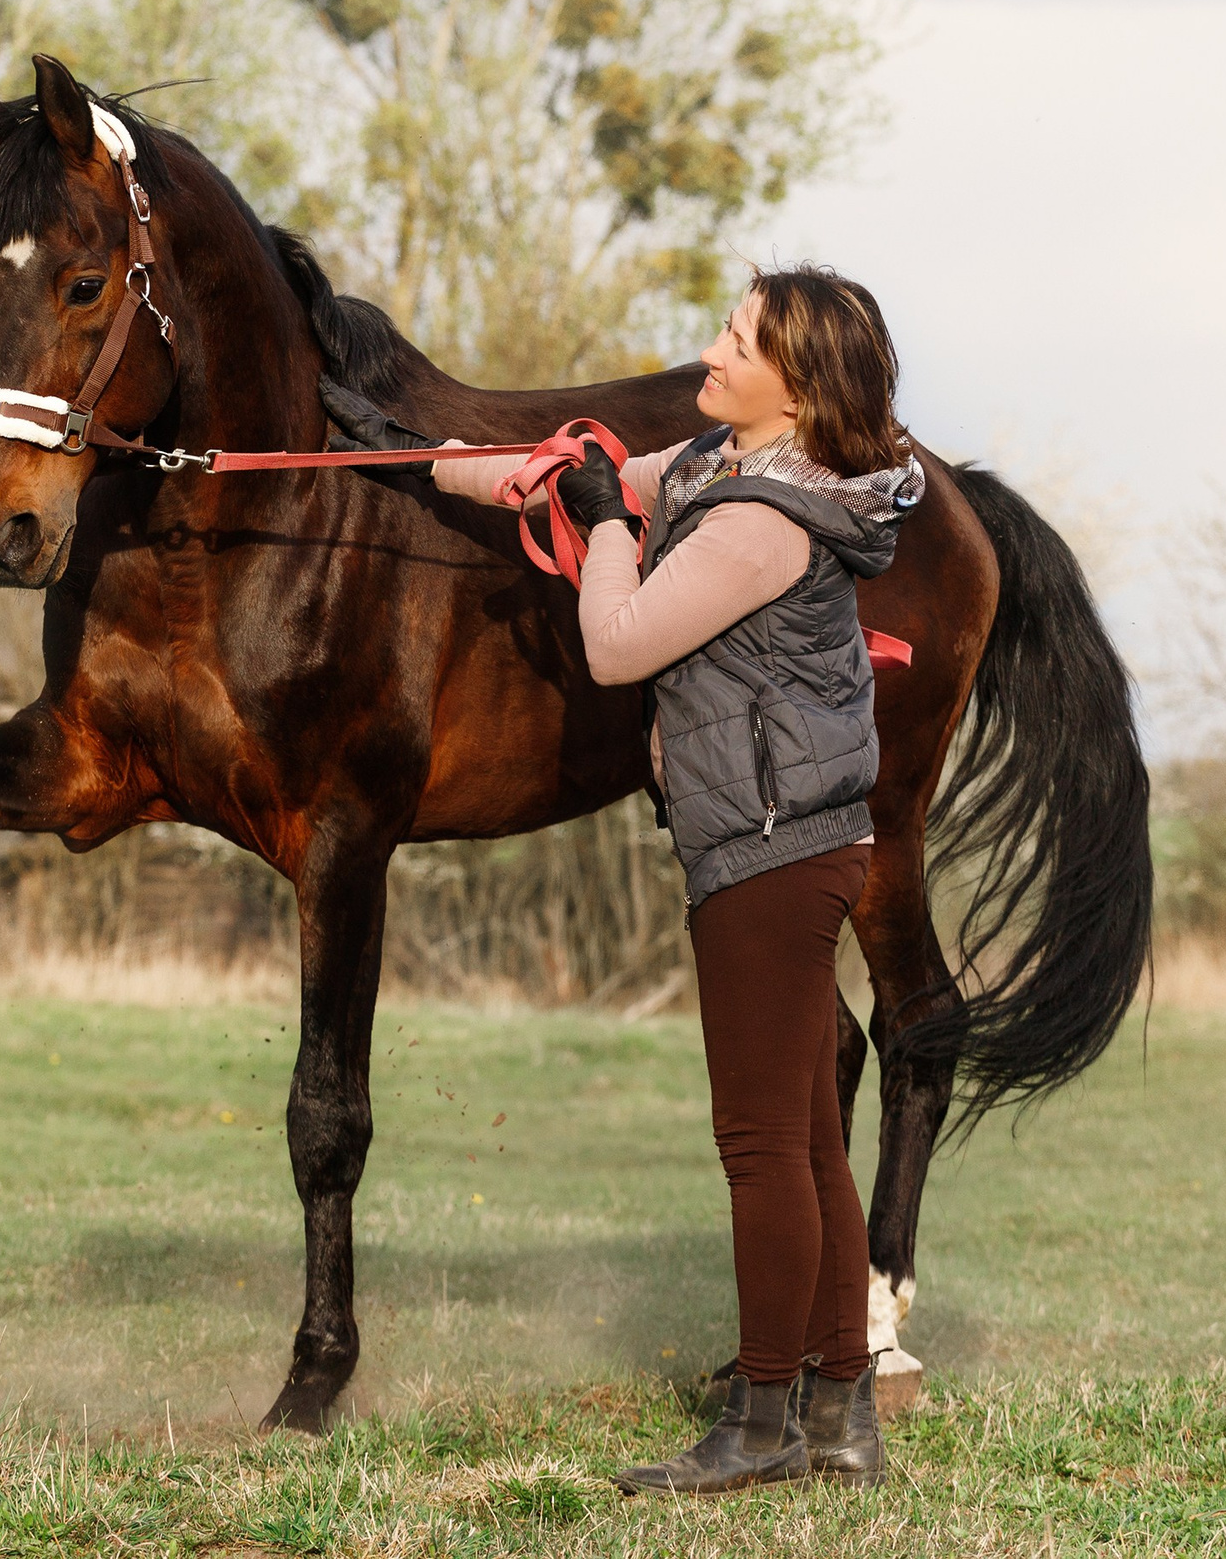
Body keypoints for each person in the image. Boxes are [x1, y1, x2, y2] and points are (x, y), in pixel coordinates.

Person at [323, 263, 924, 1496]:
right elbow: (553, 473)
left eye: (738, 341)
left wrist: (606, 526)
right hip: (774, 837)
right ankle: (839, 1416)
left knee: (760, 1145)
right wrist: (407, 455)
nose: (711, 352)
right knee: (810, 1140)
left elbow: (616, 645)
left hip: (771, 849)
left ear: (796, 390)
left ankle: (761, 1423)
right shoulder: (717, 465)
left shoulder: (762, 525)